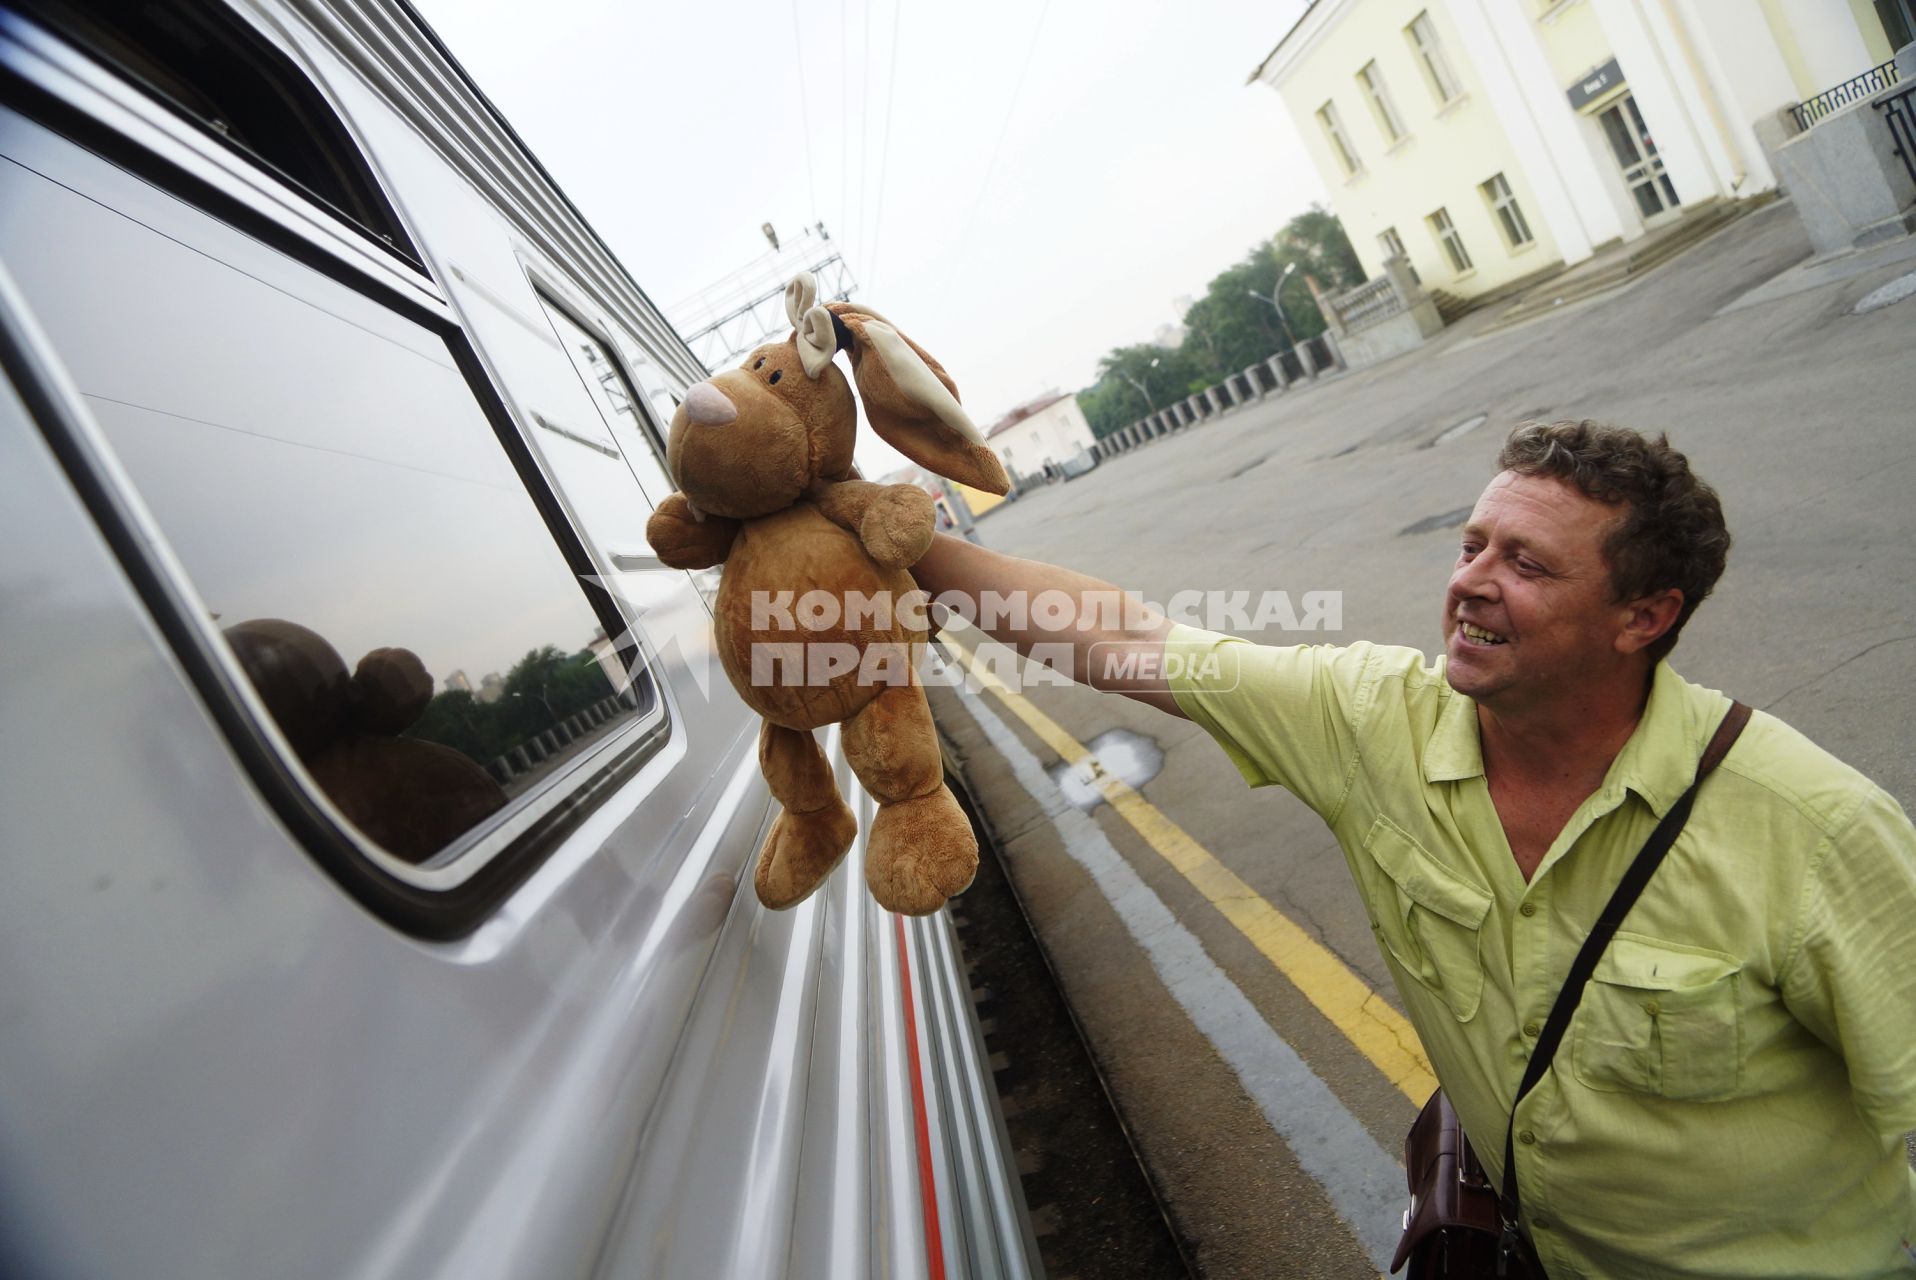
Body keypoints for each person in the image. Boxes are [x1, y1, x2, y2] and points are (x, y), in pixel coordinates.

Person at [910, 420, 1916, 1278]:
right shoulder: (1374, 724)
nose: (1470, 583)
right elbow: (1124, 638)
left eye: (1523, 562)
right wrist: (905, 543)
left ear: (1641, 617)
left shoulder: (1811, 827)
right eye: (1470, 545)